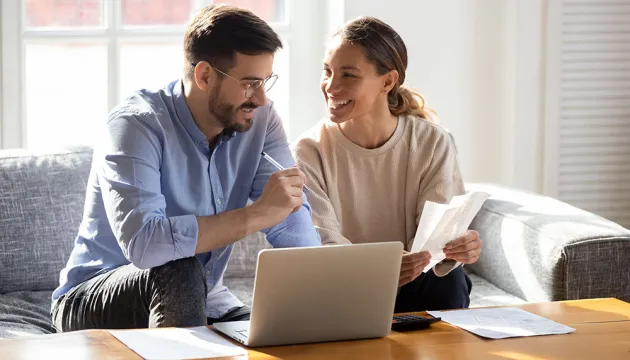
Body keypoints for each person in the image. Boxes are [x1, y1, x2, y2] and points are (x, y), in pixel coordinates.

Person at [51, 4, 320, 331]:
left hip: (203, 296)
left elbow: (290, 216)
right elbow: (146, 245)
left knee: (279, 335)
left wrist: (320, 290)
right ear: (205, 75)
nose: (261, 98)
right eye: (250, 83)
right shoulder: (136, 126)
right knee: (179, 268)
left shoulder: (260, 120)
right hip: (93, 296)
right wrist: (255, 214)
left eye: (266, 81)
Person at [293, 16, 481, 312]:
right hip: (347, 287)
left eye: (348, 75)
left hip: (418, 282)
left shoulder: (432, 142)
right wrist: (384, 268)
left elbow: (437, 240)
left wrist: (457, 249)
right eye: (327, 71)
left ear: (388, 81)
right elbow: (324, 245)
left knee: (448, 280)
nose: (331, 86)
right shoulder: (309, 151)